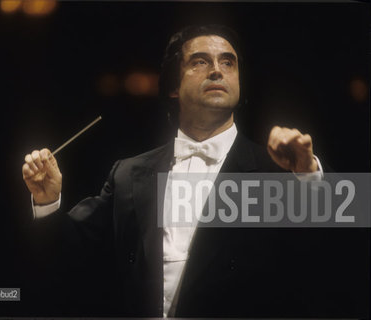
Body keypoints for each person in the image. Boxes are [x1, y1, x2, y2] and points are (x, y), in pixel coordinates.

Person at [21, 25, 349, 317]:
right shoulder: (128, 174)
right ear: (173, 87)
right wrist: (47, 200)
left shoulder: (276, 171)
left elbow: (344, 254)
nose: (218, 71)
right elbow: (67, 266)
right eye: (200, 61)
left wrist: (307, 173)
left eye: (228, 62)